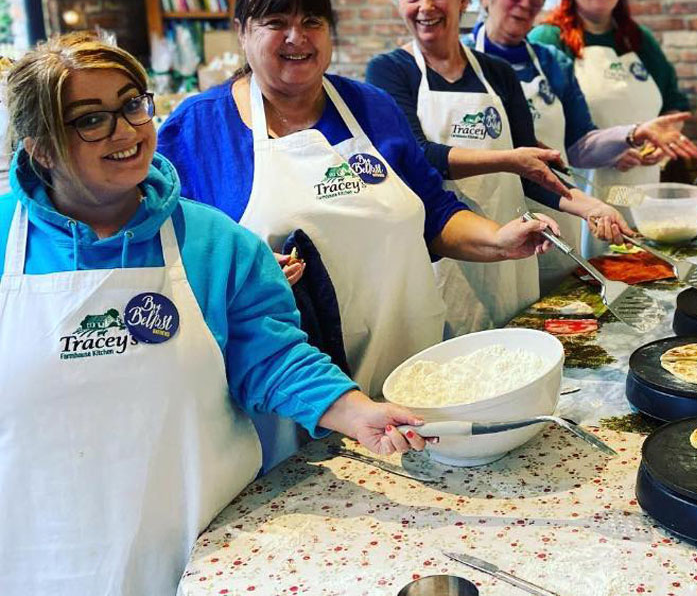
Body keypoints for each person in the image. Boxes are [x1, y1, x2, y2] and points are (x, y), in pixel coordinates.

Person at [0, 33, 429, 596]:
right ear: (42, 148)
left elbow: (272, 357)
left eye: (132, 104)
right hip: (40, 555)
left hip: (201, 550)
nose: (126, 131)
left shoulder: (215, 244)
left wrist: (354, 413)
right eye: (90, 119)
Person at [158, 0, 559, 463]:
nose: (296, 38)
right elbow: (177, 267)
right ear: (241, 32)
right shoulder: (198, 131)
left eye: (311, 22)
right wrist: (251, 274)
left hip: (413, 381)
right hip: (299, 406)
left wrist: (498, 240)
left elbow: (433, 213)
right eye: (275, 23)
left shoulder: (368, 107)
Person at [366, 0, 632, 333]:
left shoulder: (497, 74)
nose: (425, 6)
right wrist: (510, 159)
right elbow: (419, 156)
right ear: (396, 0)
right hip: (442, 261)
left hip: (511, 253)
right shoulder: (389, 71)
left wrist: (589, 205)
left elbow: (534, 174)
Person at [465, 0, 697, 284]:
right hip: (480, 218)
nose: (526, 2)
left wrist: (634, 134)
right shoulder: (461, 61)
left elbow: (578, 144)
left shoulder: (551, 61)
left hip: (559, 211)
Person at [529, 0, 695, 254]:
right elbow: (537, 128)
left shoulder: (637, 39)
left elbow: (675, 102)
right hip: (579, 192)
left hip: (640, 188)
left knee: (639, 263)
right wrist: (613, 146)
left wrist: (663, 138)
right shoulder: (550, 39)